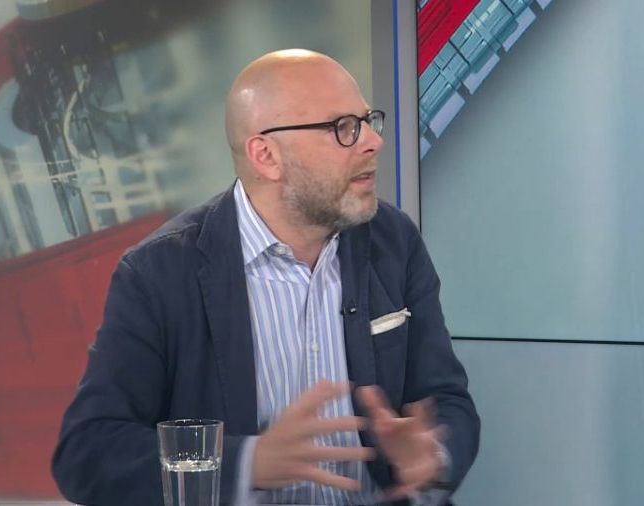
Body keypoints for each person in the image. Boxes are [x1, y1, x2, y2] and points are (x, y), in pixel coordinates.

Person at [52, 49, 480, 506]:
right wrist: (245, 464)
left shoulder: (393, 241)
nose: (373, 141)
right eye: (343, 128)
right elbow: (88, 453)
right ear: (266, 155)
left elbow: (447, 400)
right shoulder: (159, 273)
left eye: (367, 120)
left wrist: (432, 455)